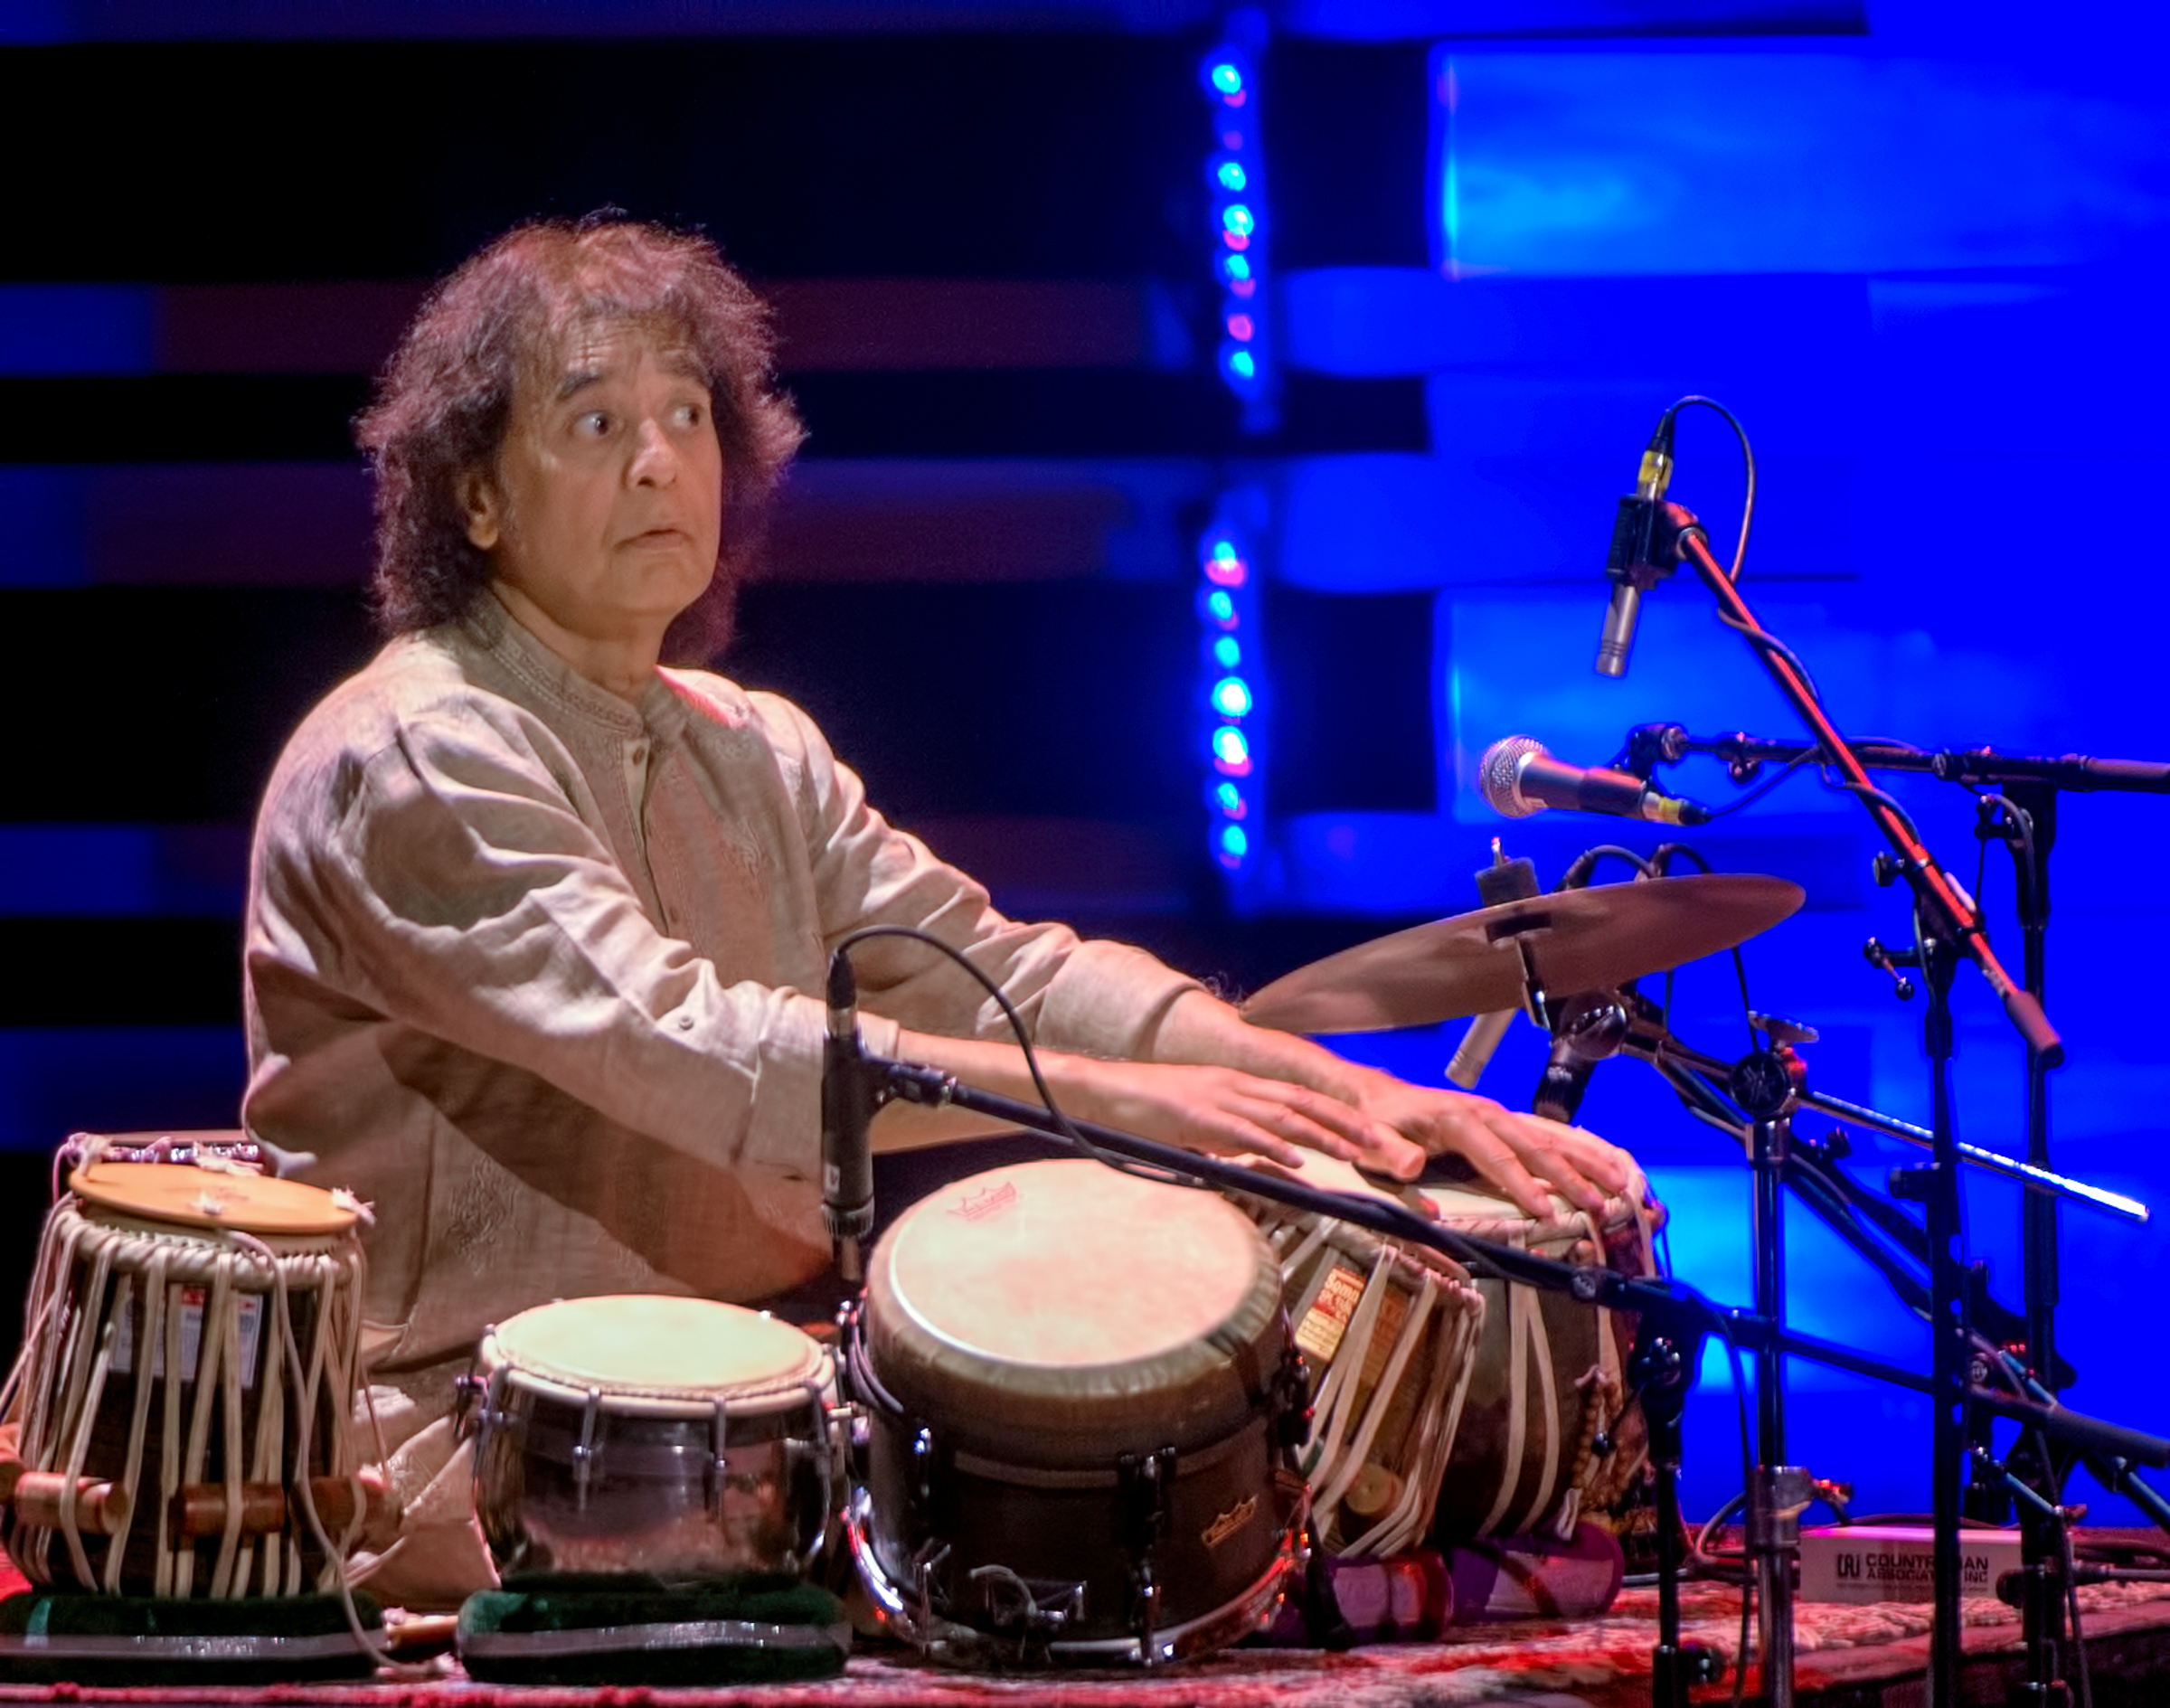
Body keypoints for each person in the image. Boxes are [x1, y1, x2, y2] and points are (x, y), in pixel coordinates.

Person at [241, 216, 1639, 1608]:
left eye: (686, 414)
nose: (661, 459)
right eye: (595, 420)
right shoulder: (416, 750)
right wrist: (1128, 1103)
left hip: (763, 1424)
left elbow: (998, 974)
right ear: (476, 494)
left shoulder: (754, 749)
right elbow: (683, 1040)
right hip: (448, 1451)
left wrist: (1337, 1094)